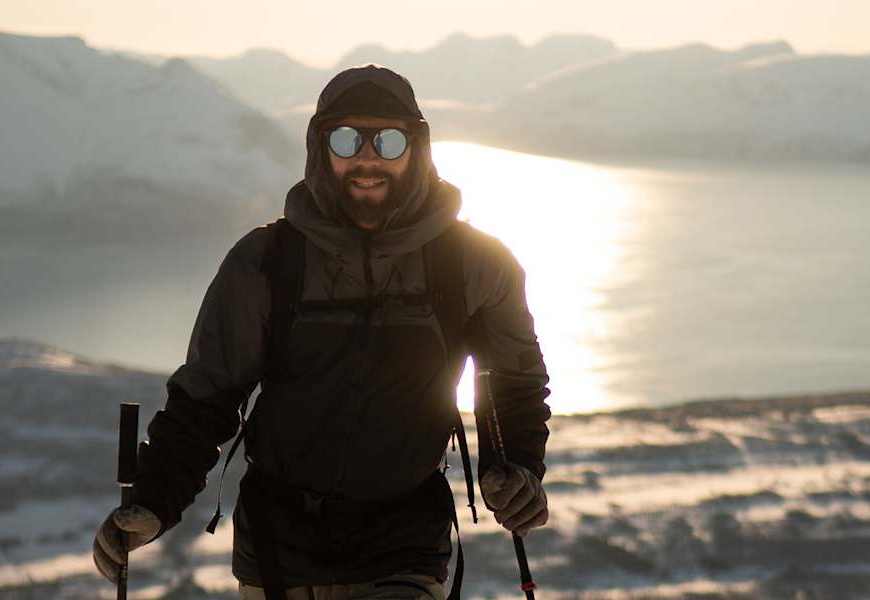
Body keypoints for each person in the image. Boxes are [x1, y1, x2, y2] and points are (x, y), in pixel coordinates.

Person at [92, 63, 552, 600]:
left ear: (418, 149)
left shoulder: (473, 264)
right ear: (319, 148)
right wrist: (153, 502)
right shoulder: (266, 263)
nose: (367, 157)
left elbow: (514, 383)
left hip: (403, 542)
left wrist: (516, 470)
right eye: (346, 138)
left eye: (389, 140)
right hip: (278, 550)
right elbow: (206, 399)